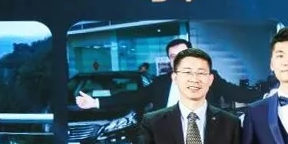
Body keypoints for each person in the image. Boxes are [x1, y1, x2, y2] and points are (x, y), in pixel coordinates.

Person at [75, 38, 267, 112]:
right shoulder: (160, 83)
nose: (178, 59)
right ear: (169, 60)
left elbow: (234, 92)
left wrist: (266, 96)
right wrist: (96, 102)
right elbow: (133, 96)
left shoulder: (208, 76)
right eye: (173, 56)